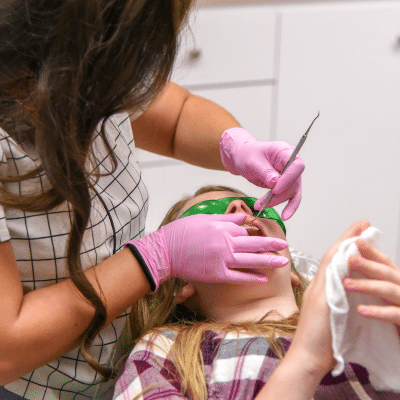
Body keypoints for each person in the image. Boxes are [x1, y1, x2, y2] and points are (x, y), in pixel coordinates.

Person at [0, 1, 306, 399]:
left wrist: (235, 144)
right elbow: (6, 348)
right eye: (211, 211)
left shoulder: (342, 319)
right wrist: (158, 255)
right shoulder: (164, 361)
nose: (239, 208)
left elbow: (176, 117)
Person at [113, 185, 400, 400]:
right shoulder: (167, 351)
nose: (239, 206)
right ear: (179, 285)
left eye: (256, 206)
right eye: (207, 214)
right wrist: (306, 359)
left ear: (291, 271)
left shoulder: (360, 326)